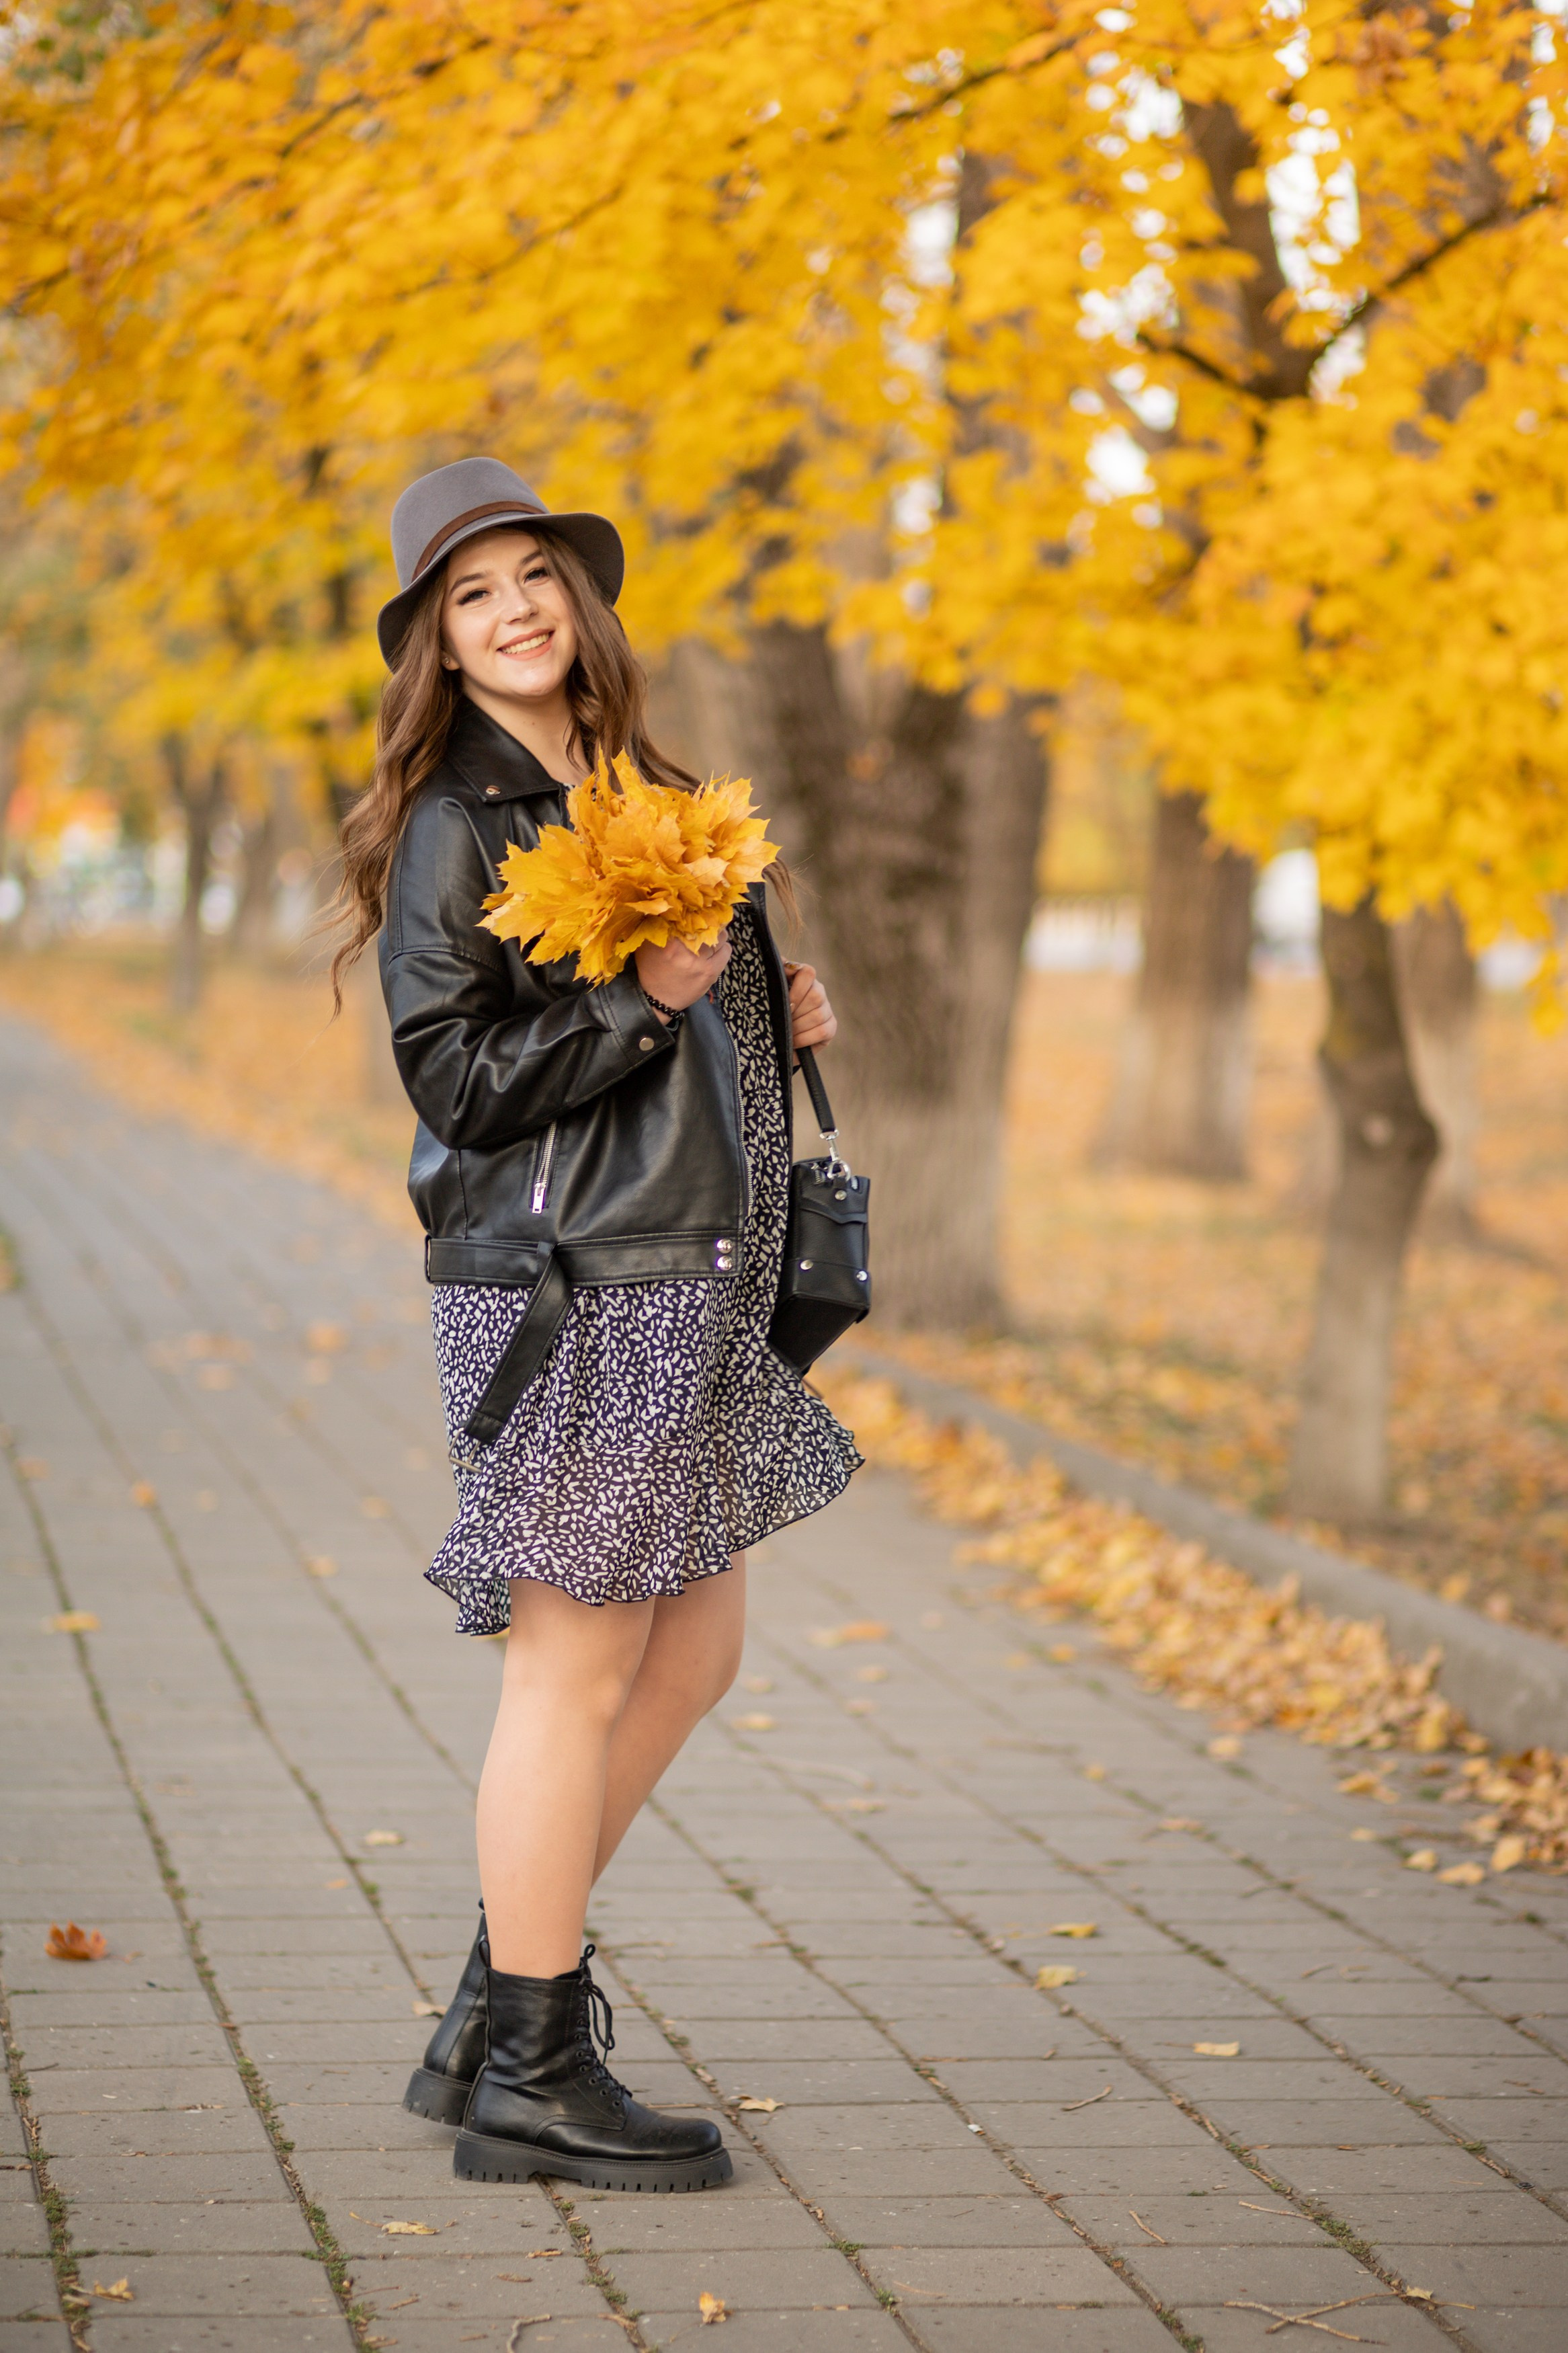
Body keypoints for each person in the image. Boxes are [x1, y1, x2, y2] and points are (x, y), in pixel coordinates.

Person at [332, 457, 862, 2192]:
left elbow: (679, 997)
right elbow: (457, 1078)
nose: (514, 611)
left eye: (535, 575)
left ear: (581, 595)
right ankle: (534, 2075)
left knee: (693, 1653)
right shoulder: (454, 820)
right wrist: (644, 1008)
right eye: (473, 594)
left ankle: (498, 2004)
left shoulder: (639, 785)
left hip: (681, 1269)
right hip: (573, 1291)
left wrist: (760, 1000)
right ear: (437, 642)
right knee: (571, 1666)